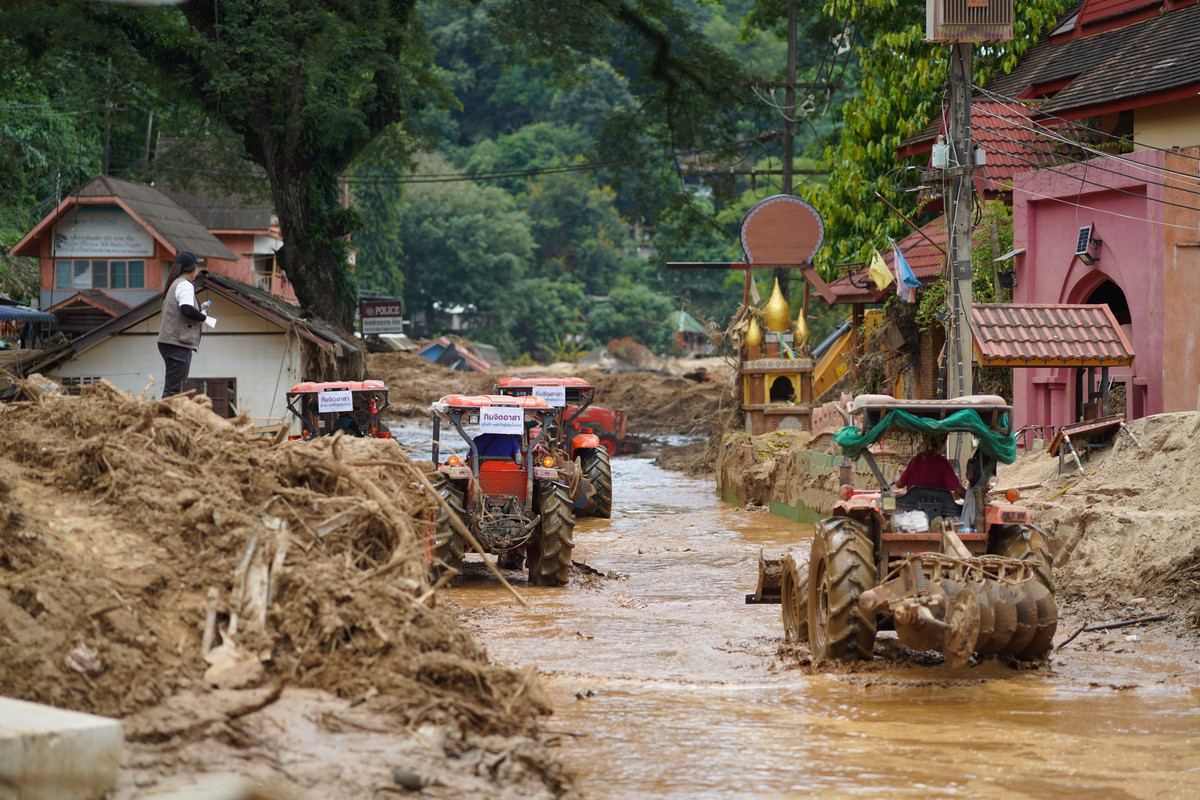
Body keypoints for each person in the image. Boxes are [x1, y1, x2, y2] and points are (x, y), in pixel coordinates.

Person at [157, 251, 210, 398]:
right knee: (173, 390)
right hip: (176, 343)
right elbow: (186, 309)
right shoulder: (185, 285)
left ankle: (168, 411)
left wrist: (199, 311)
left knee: (175, 388)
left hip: (171, 342)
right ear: (193, 269)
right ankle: (165, 412)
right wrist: (202, 317)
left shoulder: (176, 283)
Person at [894, 433, 965, 498]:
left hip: (914, 506)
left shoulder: (915, 461)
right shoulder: (943, 463)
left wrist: (896, 479)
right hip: (937, 506)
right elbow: (959, 490)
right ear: (944, 443)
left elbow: (899, 484)